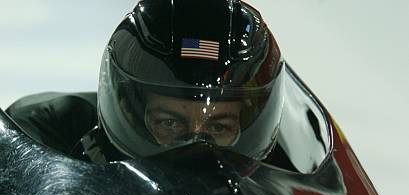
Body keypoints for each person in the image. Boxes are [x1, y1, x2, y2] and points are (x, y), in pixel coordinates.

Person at [6, 0, 286, 164]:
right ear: (132, 114)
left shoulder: (284, 162)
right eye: (170, 123)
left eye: (218, 126)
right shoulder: (46, 135)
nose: (196, 147)